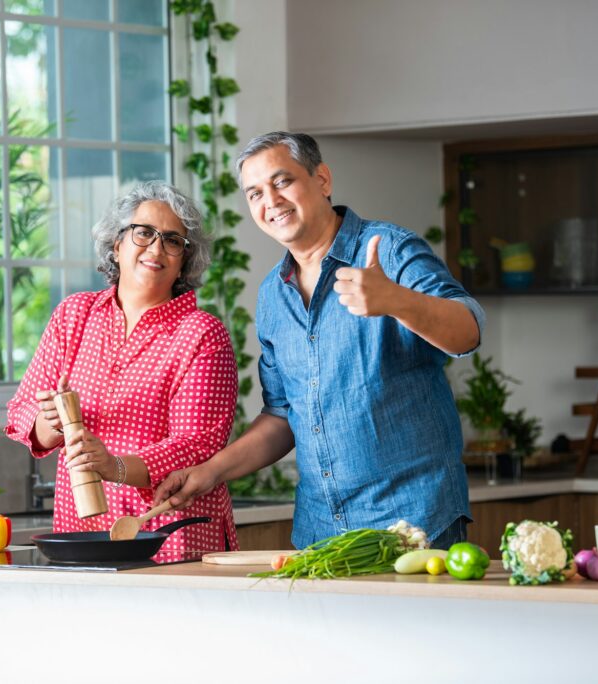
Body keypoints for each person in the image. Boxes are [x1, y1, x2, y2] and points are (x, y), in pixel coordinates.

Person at [155, 132, 486, 550]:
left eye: (282, 181)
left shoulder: (388, 250)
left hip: (412, 524)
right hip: (322, 532)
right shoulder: (273, 296)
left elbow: (469, 329)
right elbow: (282, 416)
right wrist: (211, 471)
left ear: (322, 180)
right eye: (254, 192)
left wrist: (397, 301)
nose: (270, 201)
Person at [4, 181, 239, 561]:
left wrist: (112, 466)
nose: (156, 248)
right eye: (143, 233)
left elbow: (196, 445)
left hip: (167, 534)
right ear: (117, 244)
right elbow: (22, 412)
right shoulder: (73, 315)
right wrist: (51, 424)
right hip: (84, 532)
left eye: (173, 240)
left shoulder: (200, 333)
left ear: (184, 260)